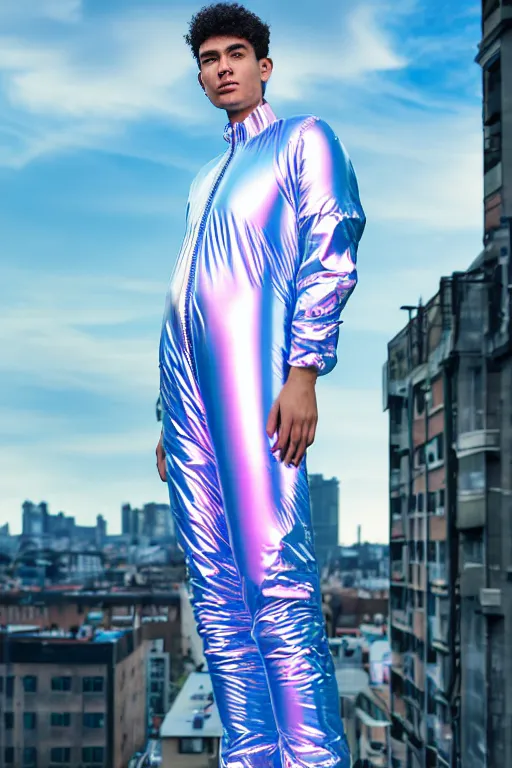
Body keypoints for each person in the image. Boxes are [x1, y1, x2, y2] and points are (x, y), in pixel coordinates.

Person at [156, 3, 365, 766]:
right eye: (208, 59)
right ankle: (250, 756)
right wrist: (167, 417)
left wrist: (304, 370)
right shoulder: (204, 177)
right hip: (189, 402)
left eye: (235, 53)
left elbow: (330, 246)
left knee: (276, 580)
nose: (222, 68)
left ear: (264, 64)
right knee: (215, 593)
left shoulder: (303, 139)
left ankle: (313, 758)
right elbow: (188, 296)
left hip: (261, 389)